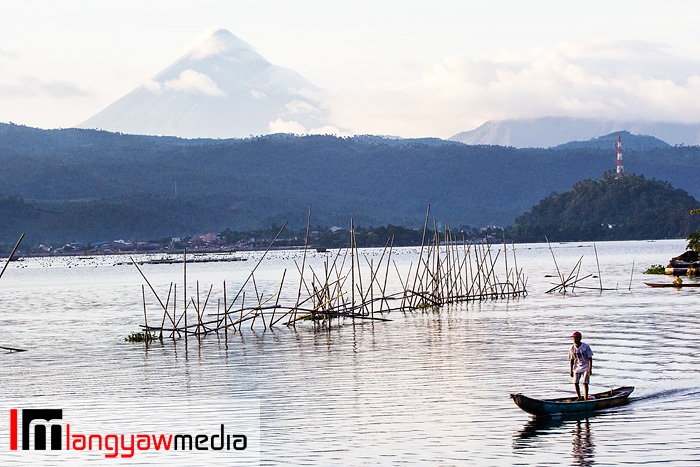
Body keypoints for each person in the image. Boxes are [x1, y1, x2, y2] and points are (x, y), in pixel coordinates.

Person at [569, 331, 593, 401]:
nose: (574, 339)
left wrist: (589, 369)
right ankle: (579, 397)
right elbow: (572, 359)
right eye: (573, 338)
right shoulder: (572, 348)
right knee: (575, 382)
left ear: (579, 338)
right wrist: (571, 370)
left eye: (575, 338)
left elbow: (590, 358)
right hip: (577, 367)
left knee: (585, 382)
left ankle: (585, 398)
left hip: (586, 366)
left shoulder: (585, 346)